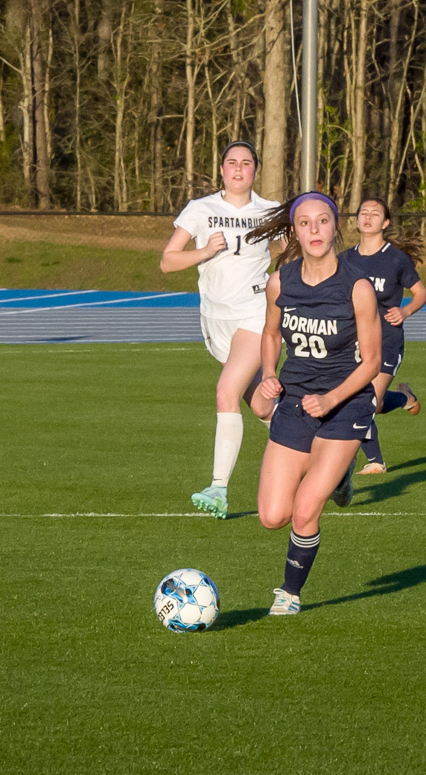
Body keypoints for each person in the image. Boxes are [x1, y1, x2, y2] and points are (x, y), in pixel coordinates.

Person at [247, 191, 381, 616]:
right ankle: (339, 479)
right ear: (294, 232)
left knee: (305, 511)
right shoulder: (280, 281)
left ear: (335, 226)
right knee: (272, 516)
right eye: (304, 223)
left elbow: (373, 361)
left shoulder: (357, 287)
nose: (314, 230)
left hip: (346, 404)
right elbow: (270, 334)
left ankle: (289, 593)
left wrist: (333, 398)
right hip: (295, 403)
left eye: (322, 221)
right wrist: (269, 374)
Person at [161, 141, 279, 519]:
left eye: (246, 163)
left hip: (255, 315)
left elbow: (291, 248)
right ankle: (331, 460)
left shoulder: (270, 211)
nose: (239, 169)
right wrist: (204, 252)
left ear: (255, 171)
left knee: (225, 391)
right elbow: (167, 261)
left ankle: (218, 488)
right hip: (216, 321)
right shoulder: (201, 209)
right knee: (261, 405)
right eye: (232, 163)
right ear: (222, 170)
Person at [340, 197, 426, 474]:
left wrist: (405, 312)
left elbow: (421, 292)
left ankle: (376, 457)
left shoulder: (395, 258)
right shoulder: (345, 260)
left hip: (387, 340)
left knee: (370, 402)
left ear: (385, 222)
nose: (367, 217)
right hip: (353, 342)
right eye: (363, 212)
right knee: (364, 401)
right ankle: (402, 402)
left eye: (375, 213)